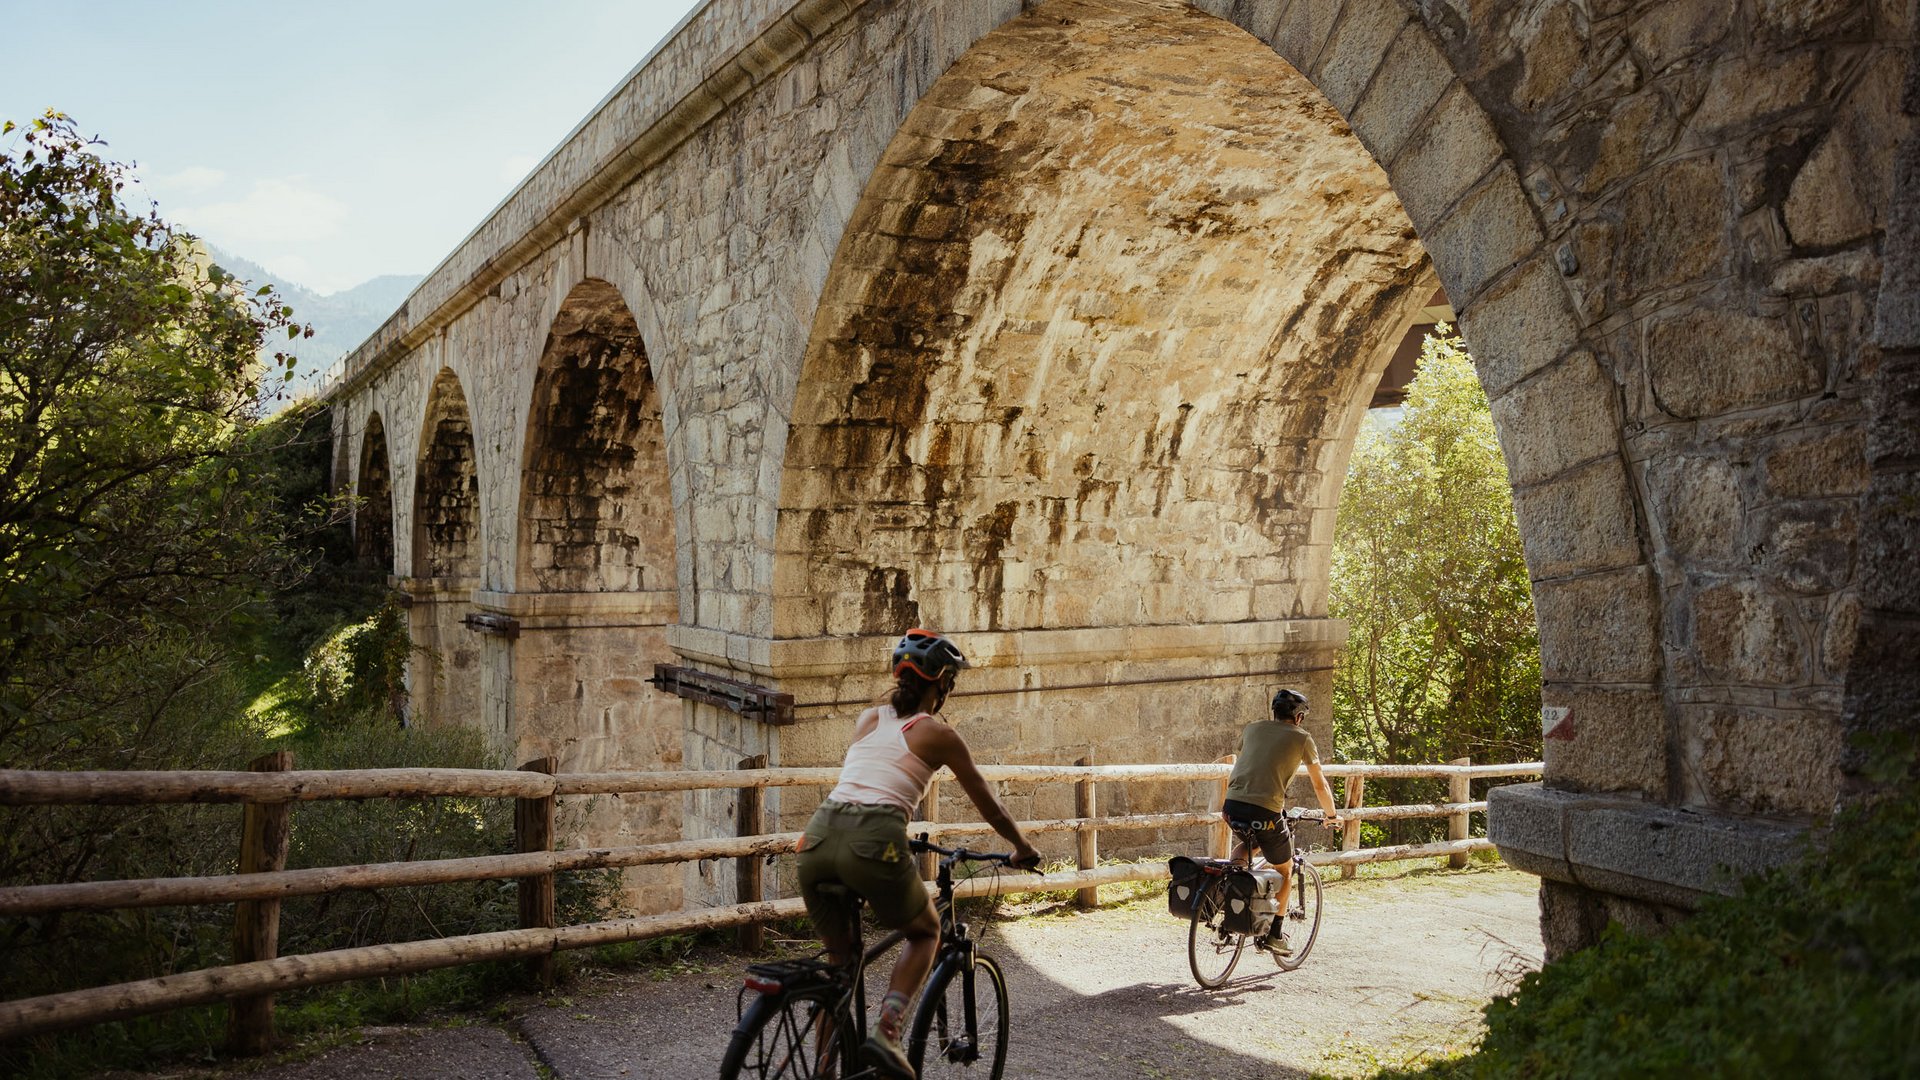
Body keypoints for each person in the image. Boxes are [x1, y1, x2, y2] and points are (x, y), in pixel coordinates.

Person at [796, 628, 1040, 1079]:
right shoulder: (938, 734)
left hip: (816, 839)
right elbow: (990, 804)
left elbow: (870, 778)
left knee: (839, 968)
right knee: (926, 932)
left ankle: (823, 1072)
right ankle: (886, 1033)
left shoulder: (869, 719)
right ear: (943, 682)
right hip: (871, 840)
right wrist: (1022, 847)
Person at [1220, 688, 1342, 957]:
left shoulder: (1252, 729)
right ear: (1299, 717)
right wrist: (1332, 816)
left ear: (1274, 712)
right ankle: (1275, 934)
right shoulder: (1302, 738)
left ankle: (1228, 899)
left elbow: (1250, 762)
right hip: (1266, 813)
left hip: (1231, 807)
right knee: (1285, 870)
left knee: (1245, 848)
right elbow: (1320, 783)